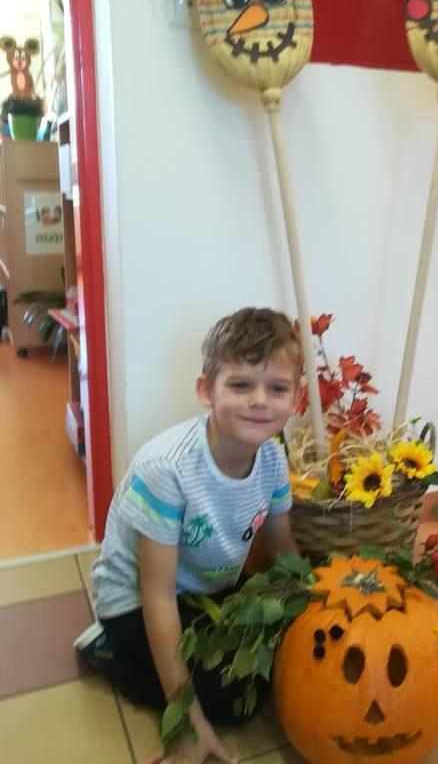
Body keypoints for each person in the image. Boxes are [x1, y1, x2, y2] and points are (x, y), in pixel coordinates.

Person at [75, 307, 301, 764]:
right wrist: (185, 720)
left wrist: (317, 600)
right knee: (233, 702)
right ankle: (107, 648)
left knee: (274, 653)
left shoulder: (274, 460)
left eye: (277, 388)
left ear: (296, 398)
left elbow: (283, 550)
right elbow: (157, 597)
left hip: (207, 586)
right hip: (137, 600)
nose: (260, 400)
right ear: (206, 390)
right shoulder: (169, 469)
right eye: (241, 385)